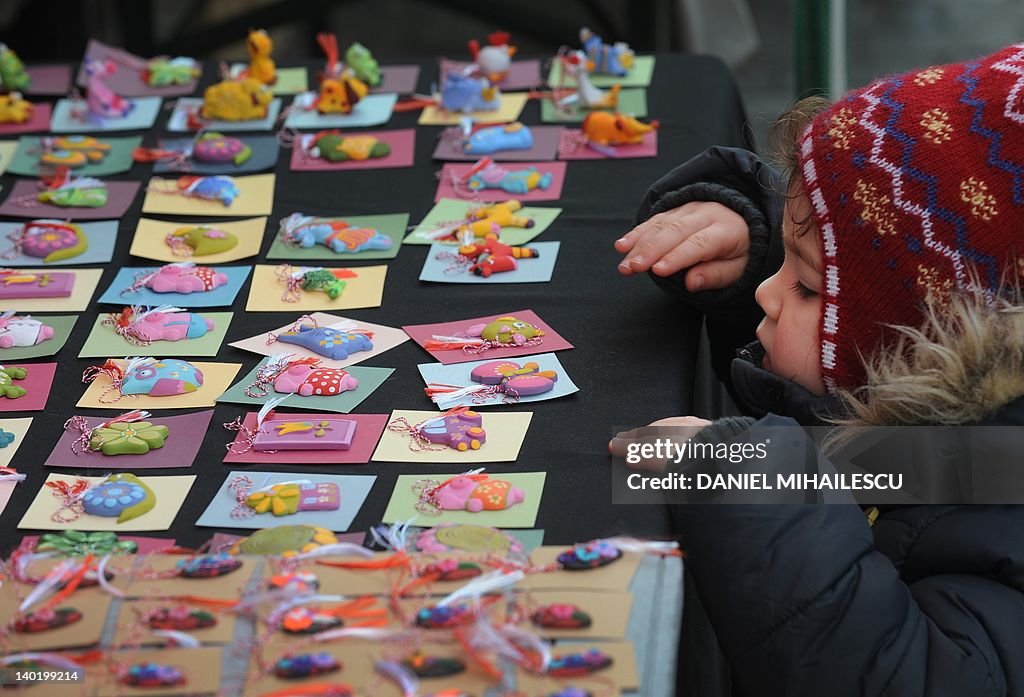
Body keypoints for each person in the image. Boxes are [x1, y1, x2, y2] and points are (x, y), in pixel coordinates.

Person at [613, 45, 1024, 695]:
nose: (766, 297)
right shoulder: (940, 384)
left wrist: (748, 481)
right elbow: (879, 257)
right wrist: (754, 234)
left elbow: (910, 677)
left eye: (803, 287)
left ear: (921, 348)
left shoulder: (997, 503)